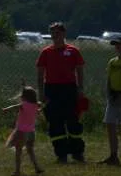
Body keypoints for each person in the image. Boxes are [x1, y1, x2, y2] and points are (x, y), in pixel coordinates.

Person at [35, 22, 86, 163]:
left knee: (73, 121)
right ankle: (61, 154)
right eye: (52, 33)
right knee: (55, 122)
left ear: (64, 34)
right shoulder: (46, 52)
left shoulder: (73, 51)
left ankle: (77, 152)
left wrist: (80, 88)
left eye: (57, 33)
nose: (55, 36)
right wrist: (41, 94)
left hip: (69, 89)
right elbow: (40, 75)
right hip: (51, 90)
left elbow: (80, 70)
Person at [2, 86, 43, 176]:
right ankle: (37, 167)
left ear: (24, 97)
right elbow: (37, 112)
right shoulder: (36, 105)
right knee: (30, 150)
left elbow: (14, 106)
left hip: (21, 132)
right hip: (31, 132)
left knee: (18, 151)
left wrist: (6, 109)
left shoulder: (24, 105)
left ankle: (17, 171)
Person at [100, 37, 121, 165]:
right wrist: (110, 93)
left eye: (119, 45)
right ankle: (113, 155)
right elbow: (109, 79)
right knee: (110, 124)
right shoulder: (112, 62)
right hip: (114, 97)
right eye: (115, 45)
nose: (117, 47)